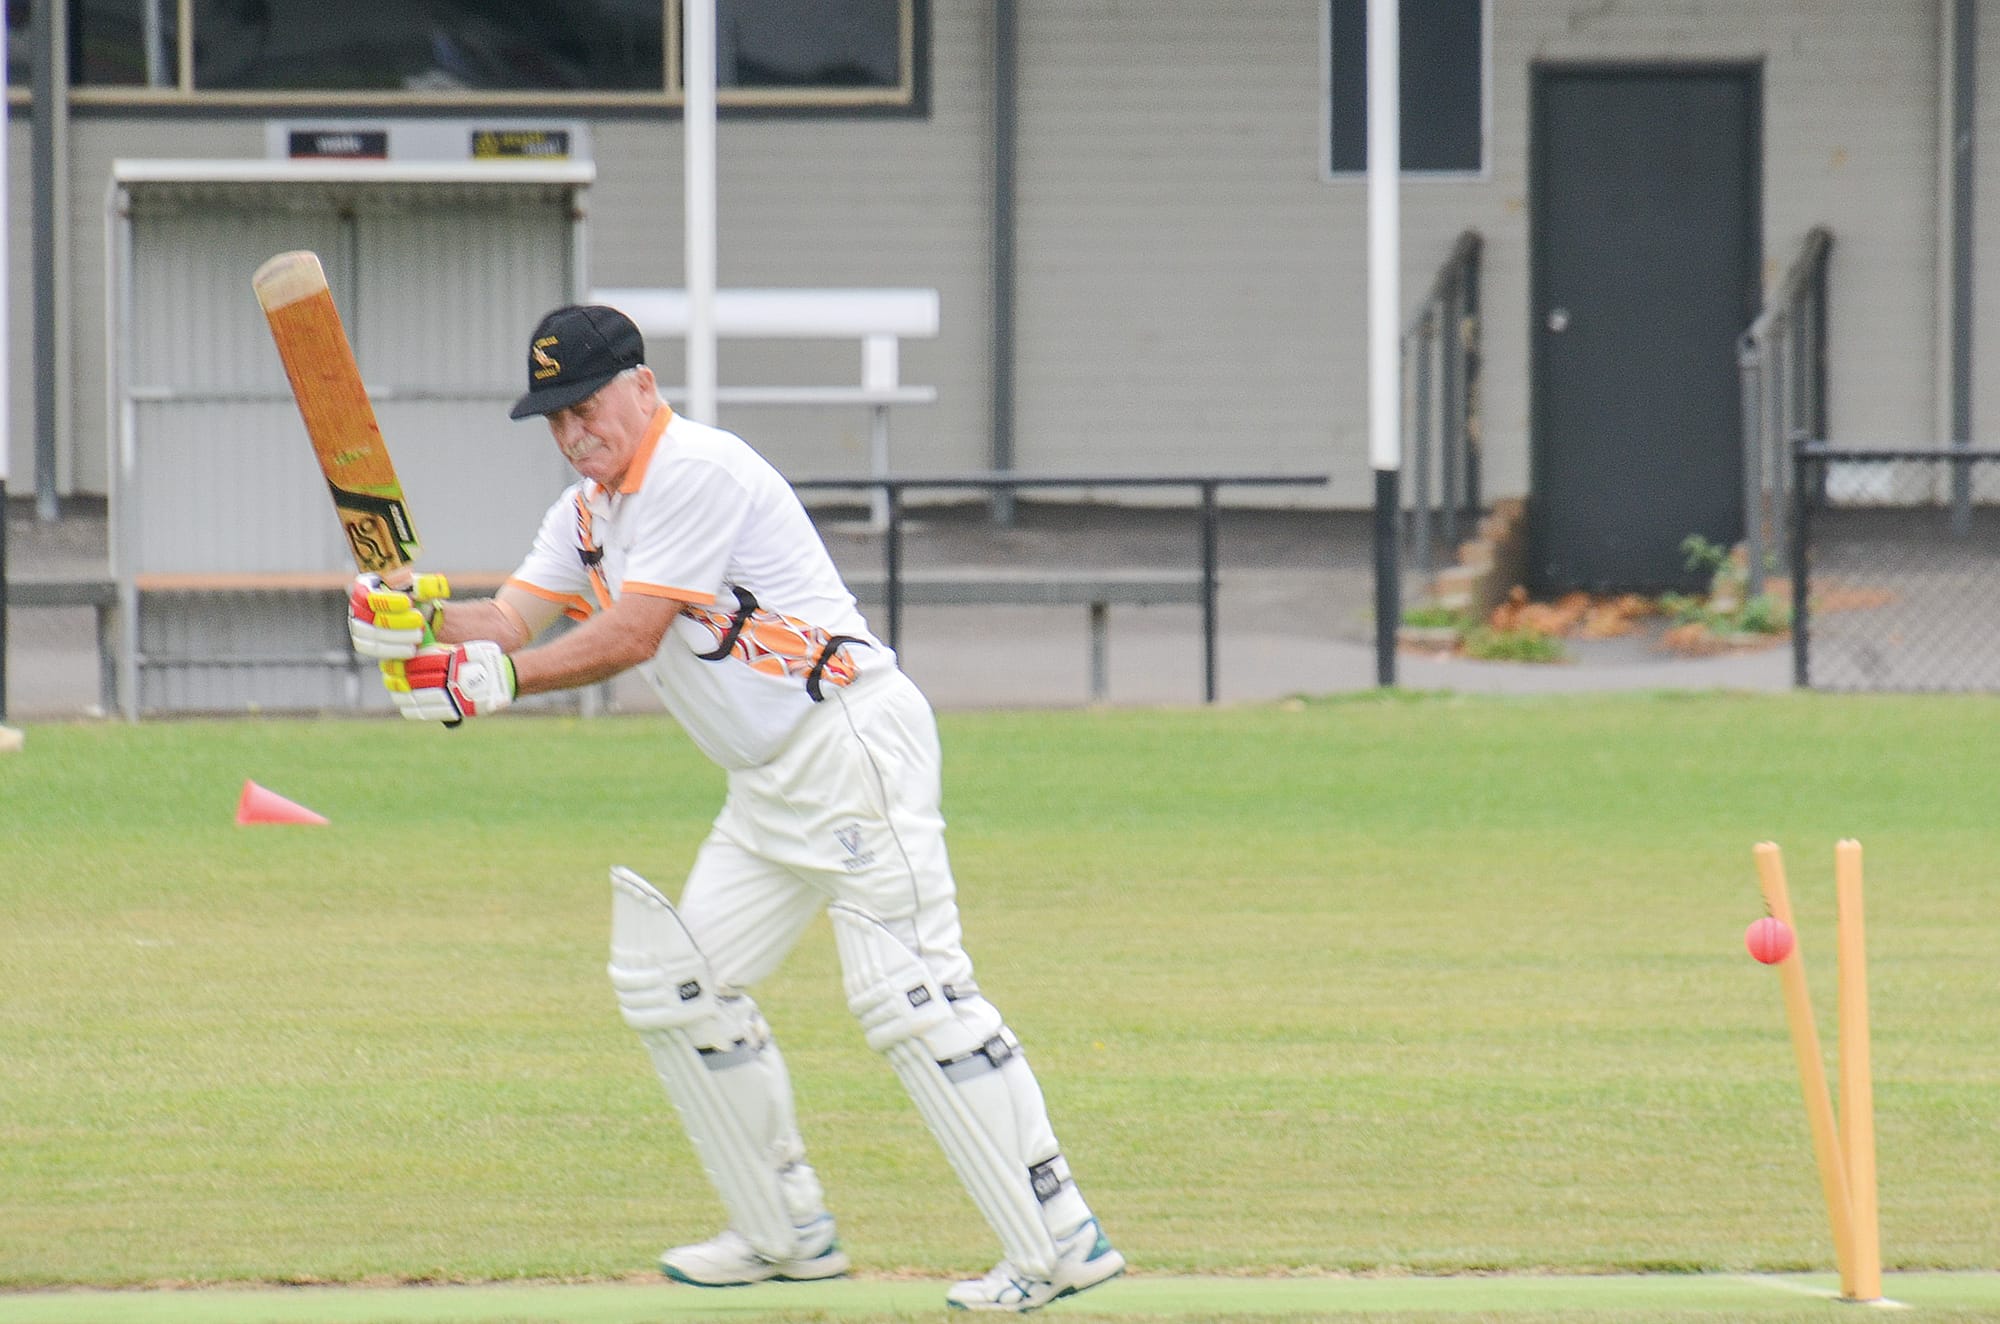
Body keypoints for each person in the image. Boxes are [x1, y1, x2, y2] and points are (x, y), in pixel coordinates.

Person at [346, 304, 1125, 1314]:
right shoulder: (586, 513)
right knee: (675, 982)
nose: (575, 432)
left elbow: (632, 632)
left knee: (915, 996)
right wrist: (416, 617)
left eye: (587, 406)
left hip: (848, 745)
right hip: (765, 787)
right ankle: (783, 1232)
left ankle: (1063, 1240)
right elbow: (506, 618)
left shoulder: (696, 472)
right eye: (556, 418)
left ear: (642, 386)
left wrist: (491, 681)